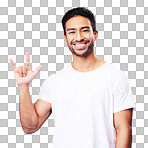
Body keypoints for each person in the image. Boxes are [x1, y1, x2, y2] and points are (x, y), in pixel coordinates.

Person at [10, 7, 136, 148]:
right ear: (65, 38)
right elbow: (30, 127)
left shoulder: (115, 77)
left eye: (85, 30)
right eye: (72, 32)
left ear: (95, 34)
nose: (79, 37)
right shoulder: (55, 81)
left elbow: (123, 130)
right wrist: (23, 86)